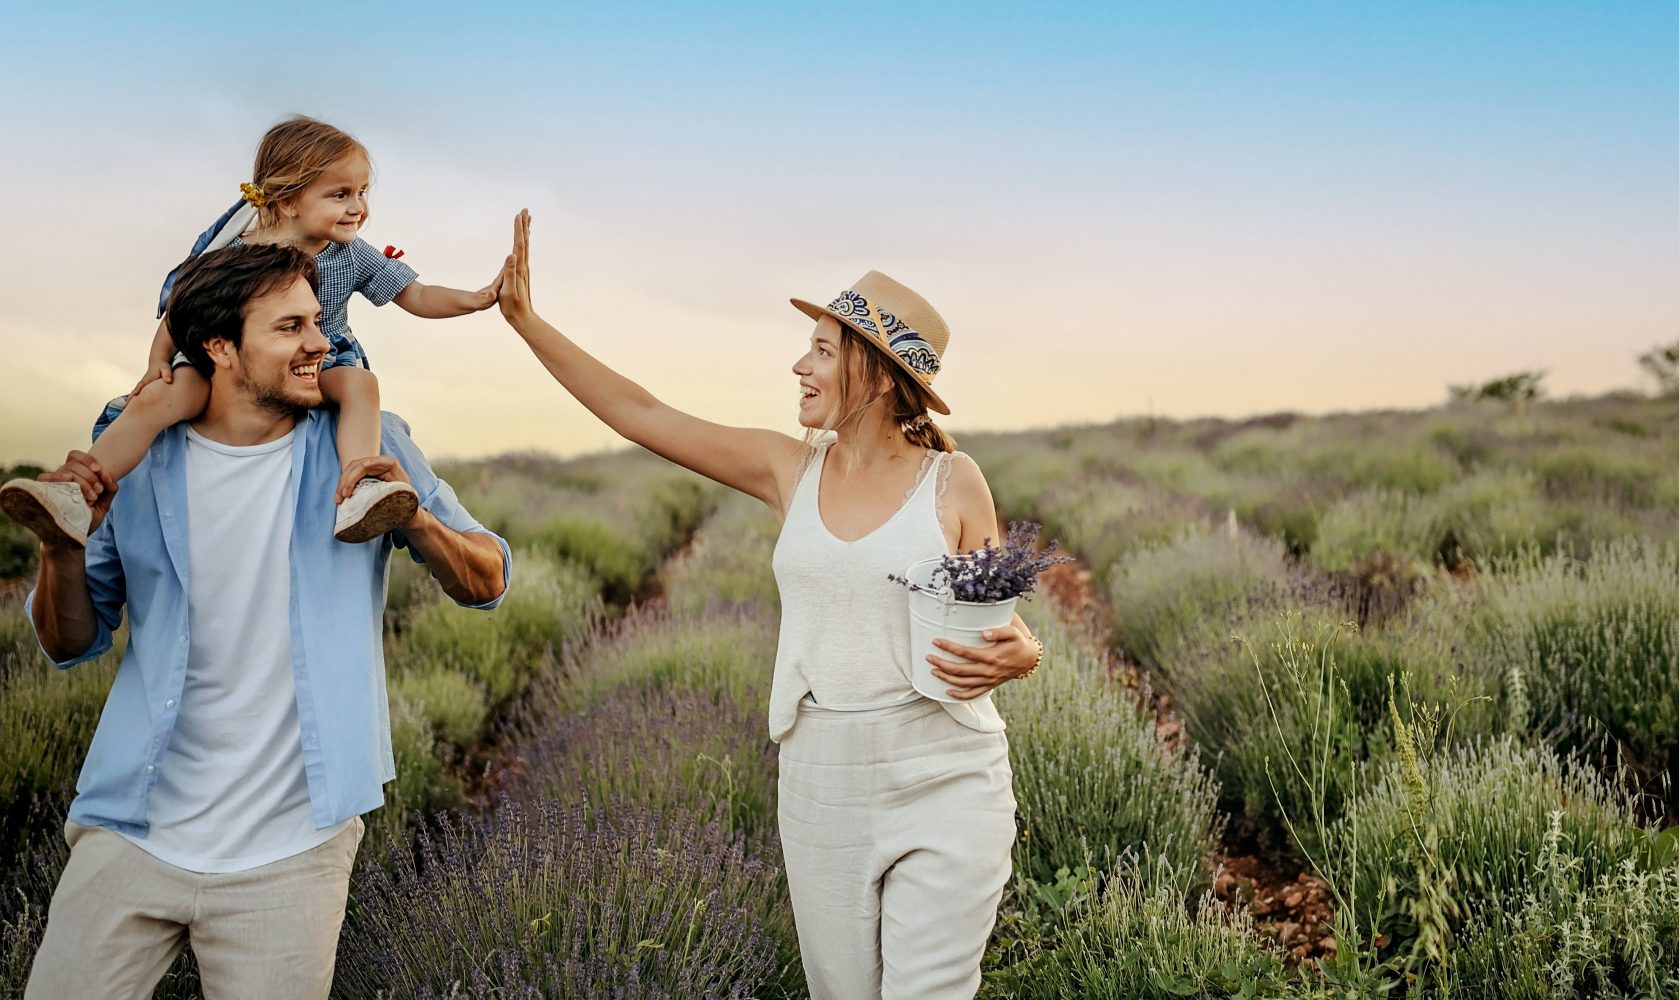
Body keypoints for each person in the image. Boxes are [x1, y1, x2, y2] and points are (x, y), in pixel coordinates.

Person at [493, 210, 1042, 998]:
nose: (798, 366)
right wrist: (528, 324)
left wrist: (1027, 653)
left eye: (822, 350)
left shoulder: (954, 483)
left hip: (945, 770)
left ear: (880, 374)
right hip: (822, 775)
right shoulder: (788, 468)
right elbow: (643, 415)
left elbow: (994, 620)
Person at [20, 242, 511, 998]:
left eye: (317, 321)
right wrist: (61, 551)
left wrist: (415, 522)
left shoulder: (370, 444)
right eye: (290, 328)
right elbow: (70, 641)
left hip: (294, 851)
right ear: (219, 347)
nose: (322, 341)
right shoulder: (140, 453)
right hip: (131, 828)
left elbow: (488, 578)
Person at [1, 115, 503, 548]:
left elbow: (415, 294)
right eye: (340, 194)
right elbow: (181, 304)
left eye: (363, 192)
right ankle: (76, 491)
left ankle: (362, 489)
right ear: (288, 201)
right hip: (232, 364)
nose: (358, 207)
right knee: (159, 399)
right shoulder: (234, 251)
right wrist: (159, 359)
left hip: (323, 363)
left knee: (360, 385)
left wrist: (479, 299)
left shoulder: (351, 252)